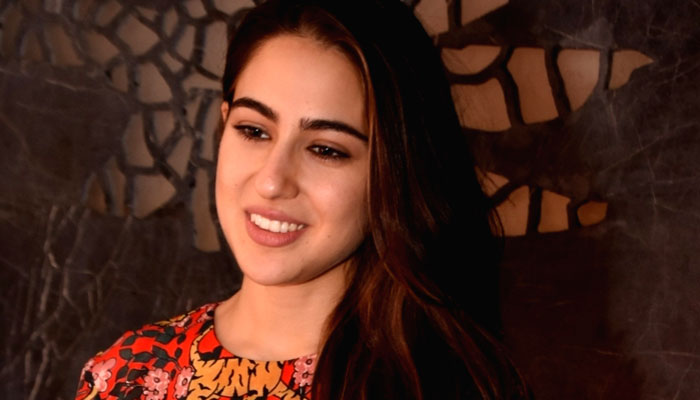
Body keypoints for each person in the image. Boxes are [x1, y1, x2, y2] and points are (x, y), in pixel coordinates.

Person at [75, 0, 530, 399]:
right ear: (223, 124)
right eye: (254, 131)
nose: (272, 181)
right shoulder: (125, 377)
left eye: (326, 150)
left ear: (394, 173)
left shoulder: (454, 386)